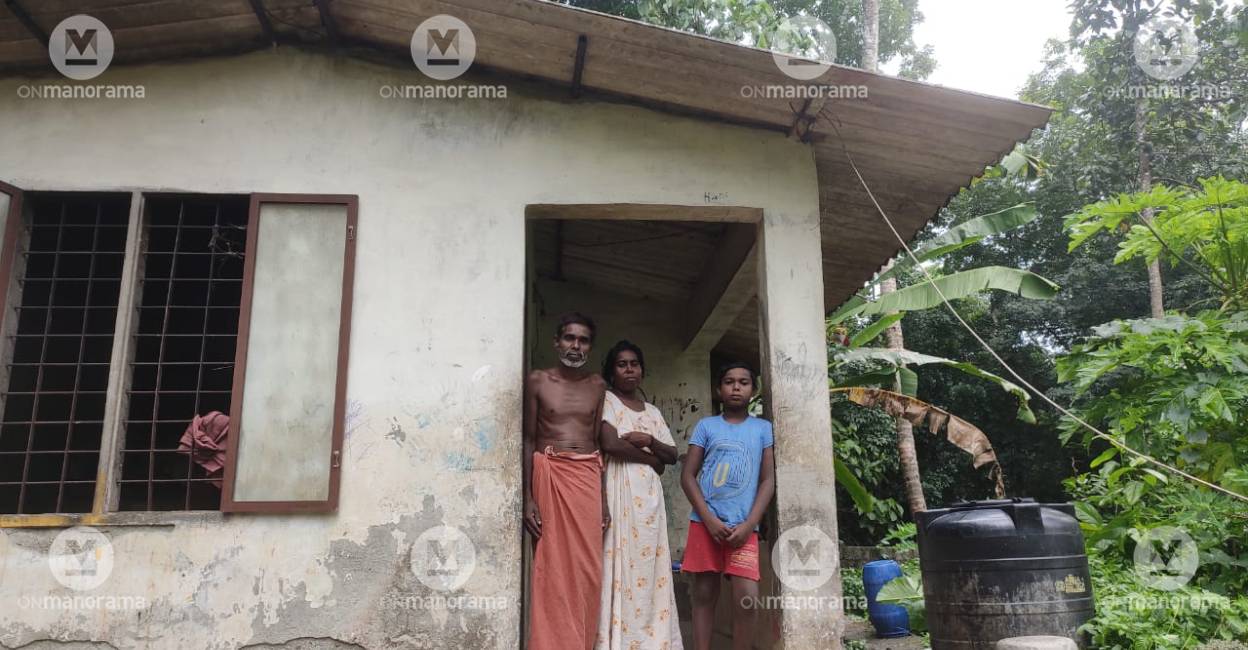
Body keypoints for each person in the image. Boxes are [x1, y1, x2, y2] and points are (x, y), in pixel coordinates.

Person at [524, 312, 610, 650]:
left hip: (587, 477)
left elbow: (599, 444)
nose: (575, 345)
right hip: (550, 475)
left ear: (590, 346)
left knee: (589, 568)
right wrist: (528, 498)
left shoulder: (598, 385)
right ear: (556, 341)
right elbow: (529, 439)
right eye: (569, 338)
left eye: (583, 340)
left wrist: (603, 500)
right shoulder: (538, 380)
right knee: (551, 568)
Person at [679, 362, 776, 650]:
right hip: (705, 524)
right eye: (729, 381)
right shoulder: (706, 426)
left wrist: (749, 525)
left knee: (747, 600)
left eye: (743, 382)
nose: (736, 387)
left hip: (743, 528)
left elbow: (768, 480)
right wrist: (708, 519)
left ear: (753, 390)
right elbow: (688, 476)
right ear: (718, 389)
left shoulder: (763, 429)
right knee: (705, 594)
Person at [595, 341, 683, 650]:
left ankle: (654, 640)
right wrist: (651, 458)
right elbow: (610, 444)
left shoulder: (653, 412)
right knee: (619, 564)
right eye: (622, 364)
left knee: (652, 567)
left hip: (650, 502)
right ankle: (618, 641)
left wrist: (649, 440)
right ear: (612, 371)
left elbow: (672, 454)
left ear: (642, 370)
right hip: (620, 492)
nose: (629, 369)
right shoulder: (607, 400)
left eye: (634, 363)